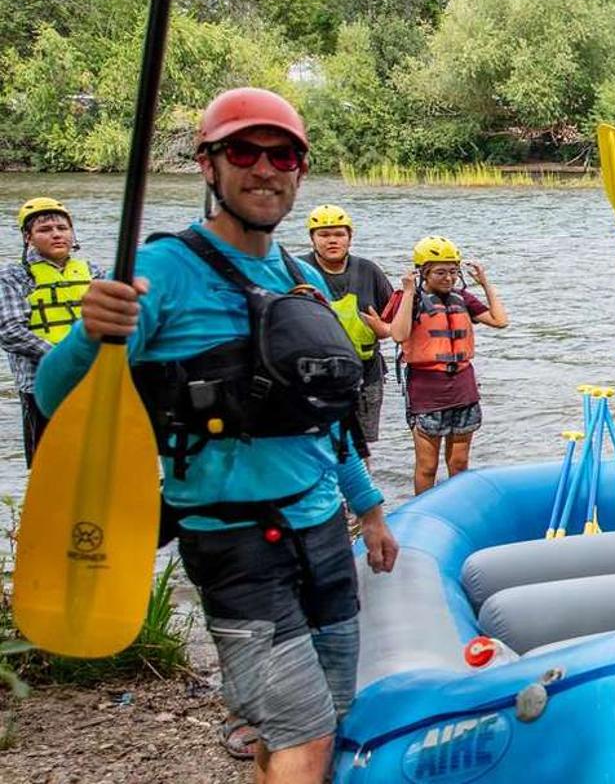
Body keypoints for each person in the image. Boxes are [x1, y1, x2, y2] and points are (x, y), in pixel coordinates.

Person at [36, 87, 397, 784]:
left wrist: (372, 509)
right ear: (208, 165)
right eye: (244, 151)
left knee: (328, 713)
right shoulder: (166, 270)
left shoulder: (299, 280)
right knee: (307, 731)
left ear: (299, 169)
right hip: (233, 541)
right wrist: (91, 333)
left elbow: (328, 422)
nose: (265, 168)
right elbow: (57, 395)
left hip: (323, 528)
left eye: (282, 154)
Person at [385, 236, 507, 495]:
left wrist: (485, 284)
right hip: (427, 391)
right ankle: (421, 514)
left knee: (459, 463)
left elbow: (500, 321)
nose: (449, 278)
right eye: (440, 272)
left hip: (463, 388)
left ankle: (458, 508)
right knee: (427, 466)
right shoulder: (411, 298)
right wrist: (408, 291)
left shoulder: (463, 298)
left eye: (453, 271)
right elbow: (398, 334)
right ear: (423, 273)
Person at [0, 197, 102, 466]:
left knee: (94, 462)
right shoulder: (14, 276)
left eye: (62, 228)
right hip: (40, 385)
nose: (57, 234)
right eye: (45, 230)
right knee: (49, 466)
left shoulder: (92, 272)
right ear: (28, 237)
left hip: (93, 381)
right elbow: (10, 330)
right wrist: (65, 358)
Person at [301, 205, 393, 451]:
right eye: (324, 234)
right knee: (317, 446)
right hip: (314, 376)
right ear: (312, 238)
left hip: (365, 374)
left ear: (349, 237)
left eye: (339, 234)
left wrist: (383, 329)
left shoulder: (369, 271)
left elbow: (396, 323)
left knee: (360, 449)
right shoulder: (297, 271)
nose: (332, 240)